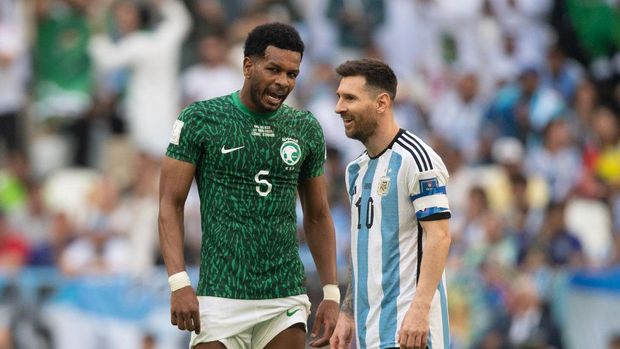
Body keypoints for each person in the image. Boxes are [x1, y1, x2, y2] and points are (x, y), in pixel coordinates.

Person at [158, 22, 339, 349]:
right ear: (247, 66)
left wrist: (330, 292)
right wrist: (179, 282)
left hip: (283, 295)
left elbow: (317, 215)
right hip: (220, 293)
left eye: (292, 74)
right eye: (274, 70)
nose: (283, 82)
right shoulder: (200, 119)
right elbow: (170, 204)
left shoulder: (305, 128)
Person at [329, 59, 452, 349]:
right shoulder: (355, 170)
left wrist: (420, 309)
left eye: (350, 98)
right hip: (369, 331)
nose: (339, 107)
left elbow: (440, 236)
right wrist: (347, 312)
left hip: (411, 331)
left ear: (382, 102)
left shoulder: (417, 159)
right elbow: (362, 248)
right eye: (338, 97)